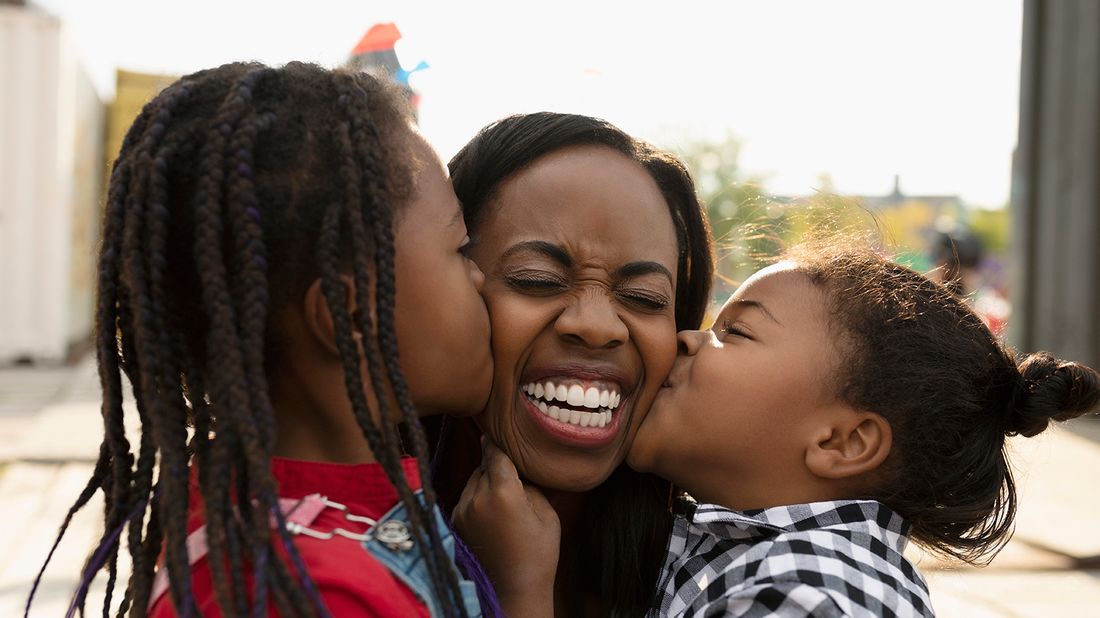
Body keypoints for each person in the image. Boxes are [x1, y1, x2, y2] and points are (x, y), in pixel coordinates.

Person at [27, 62, 497, 618]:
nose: (481, 278)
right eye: (460, 249)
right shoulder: (308, 595)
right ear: (350, 315)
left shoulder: (275, 521)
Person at [626, 241, 1100, 616]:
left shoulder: (813, 591)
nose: (686, 338)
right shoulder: (753, 550)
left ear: (842, 442)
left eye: (736, 332)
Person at [437, 112, 715, 616]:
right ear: (451, 288)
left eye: (644, 297)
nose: (598, 325)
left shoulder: (737, 572)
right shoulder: (346, 553)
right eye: (537, 279)